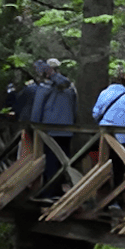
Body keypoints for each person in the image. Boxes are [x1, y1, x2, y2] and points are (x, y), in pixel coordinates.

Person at [30, 58, 77, 196]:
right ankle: (58, 190)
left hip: (50, 130)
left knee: (50, 161)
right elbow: (75, 108)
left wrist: (34, 126)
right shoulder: (70, 88)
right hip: (68, 130)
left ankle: (49, 192)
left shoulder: (45, 88)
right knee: (63, 161)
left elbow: (37, 109)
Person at [93, 69, 125, 197]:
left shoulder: (104, 93)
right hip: (122, 139)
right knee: (119, 169)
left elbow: (95, 113)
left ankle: (101, 195)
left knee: (102, 165)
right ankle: (117, 199)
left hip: (104, 137)